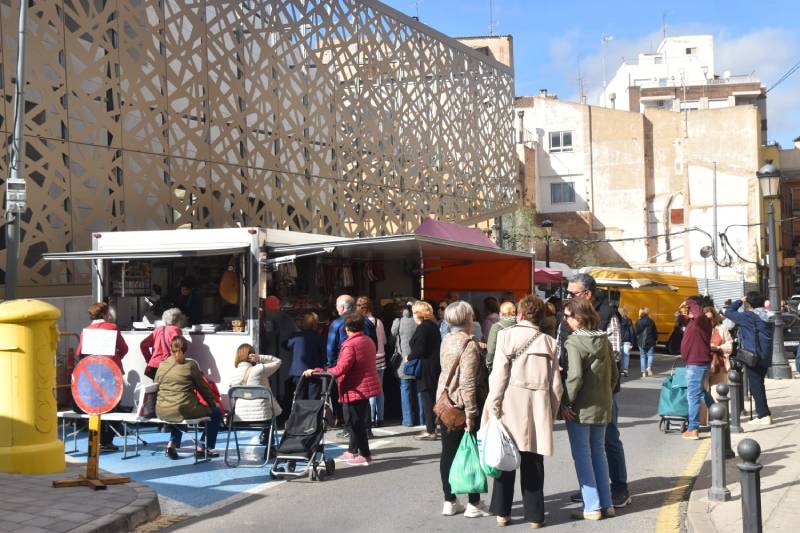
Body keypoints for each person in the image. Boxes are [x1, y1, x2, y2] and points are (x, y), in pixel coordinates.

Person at [485, 295, 563, 527]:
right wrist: (552, 412)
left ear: (519, 314)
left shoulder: (505, 336)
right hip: (538, 405)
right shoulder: (549, 342)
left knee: (505, 458)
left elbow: (498, 376)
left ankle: (502, 513)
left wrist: (493, 406)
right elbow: (556, 385)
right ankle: (535, 516)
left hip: (509, 403)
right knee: (533, 462)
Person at [561, 273, 631, 509]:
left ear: (587, 294)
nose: (567, 296)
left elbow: (615, 357)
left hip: (593, 395)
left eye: (572, 293)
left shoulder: (608, 315)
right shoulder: (570, 318)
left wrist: (569, 400)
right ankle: (598, 495)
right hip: (596, 393)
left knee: (605, 443)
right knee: (595, 450)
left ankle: (617, 489)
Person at [436, 301, 491, 518]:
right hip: (462, 404)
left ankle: (449, 500)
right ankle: (474, 503)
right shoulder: (469, 344)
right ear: (468, 319)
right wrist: (471, 413)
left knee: (448, 452)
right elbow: (468, 382)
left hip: (445, 402)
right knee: (470, 452)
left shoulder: (446, 339)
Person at [304, 314, 382, 466]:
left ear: (346, 328)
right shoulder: (368, 340)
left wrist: (318, 372)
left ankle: (365, 455)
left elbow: (341, 368)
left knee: (355, 422)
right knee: (356, 420)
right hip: (364, 385)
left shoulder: (350, 345)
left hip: (354, 386)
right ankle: (352, 450)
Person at [155, 336, 222, 459]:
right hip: (183, 409)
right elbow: (203, 388)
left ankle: (171, 445)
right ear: (186, 349)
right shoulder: (190, 365)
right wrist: (213, 404)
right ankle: (203, 448)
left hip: (162, 410)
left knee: (180, 409)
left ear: (170, 348)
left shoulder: (162, 365)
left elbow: (156, 385)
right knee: (216, 413)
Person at [75, 302, 128, 451]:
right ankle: (107, 440)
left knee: (96, 405)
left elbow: (79, 353)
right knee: (113, 405)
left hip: (93, 375)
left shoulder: (86, 331)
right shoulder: (112, 327)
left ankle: (96, 439)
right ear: (105, 314)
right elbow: (124, 348)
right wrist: (115, 359)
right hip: (111, 372)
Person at [724, 292, 774, 425]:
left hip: (753, 355)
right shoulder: (769, 315)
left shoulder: (748, 316)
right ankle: (763, 413)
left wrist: (740, 301)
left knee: (756, 385)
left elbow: (728, 312)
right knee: (759, 383)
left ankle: (764, 415)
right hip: (765, 355)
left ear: (749, 303)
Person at [230, 343, 282, 443]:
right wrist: (260, 358)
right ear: (252, 355)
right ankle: (269, 445)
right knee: (271, 412)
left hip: (239, 418)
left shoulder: (233, 374)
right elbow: (278, 361)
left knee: (268, 410)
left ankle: (265, 438)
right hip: (263, 418)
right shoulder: (259, 369)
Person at [679, 296, 715, 440]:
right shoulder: (694, 321)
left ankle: (693, 429)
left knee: (693, 395)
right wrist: (682, 312)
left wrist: (688, 301)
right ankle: (719, 414)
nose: (688, 310)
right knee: (700, 393)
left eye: (690, 308)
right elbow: (680, 321)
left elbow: (698, 314)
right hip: (695, 362)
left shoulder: (702, 320)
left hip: (696, 363)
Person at [409, 300, 442, 440]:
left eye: (414, 313)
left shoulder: (423, 327)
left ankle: (430, 430)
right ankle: (432, 426)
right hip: (433, 366)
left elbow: (420, 349)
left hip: (426, 367)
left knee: (427, 398)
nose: (412, 316)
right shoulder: (433, 325)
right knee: (431, 397)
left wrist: (409, 357)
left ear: (419, 313)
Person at [357, 296, 387, 429]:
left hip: (370, 358)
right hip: (381, 357)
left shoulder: (361, 323)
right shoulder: (378, 321)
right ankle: (380, 418)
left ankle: (371, 419)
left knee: (370, 390)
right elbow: (384, 341)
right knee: (380, 389)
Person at [392, 303, 423, 427]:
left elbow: (392, 335)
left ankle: (408, 420)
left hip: (403, 361)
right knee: (419, 390)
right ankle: (422, 419)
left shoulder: (398, 322)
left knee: (405, 389)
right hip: (418, 359)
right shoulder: (419, 322)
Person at [286, 313, 327, 400]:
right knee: (314, 400)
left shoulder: (296, 336)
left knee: (299, 399)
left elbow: (285, 345)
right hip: (315, 372)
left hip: (298, 372)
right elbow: (324, 356)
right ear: (315, 324)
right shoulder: (320, 338)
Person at [140, 307, 183, 379]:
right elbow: (178, 349)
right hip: (168, 366)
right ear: (178, 321)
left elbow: (143, 345)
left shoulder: (158, 330)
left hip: (154, 366)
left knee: (157, 385)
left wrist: (149, 359)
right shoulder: (175, 331)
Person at [706, 307, 733, 401]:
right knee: (703, 394)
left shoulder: (722, 328)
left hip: (719, 365)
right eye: (706, 319)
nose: (709, 321)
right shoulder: (700, 330)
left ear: (715, 317)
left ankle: (719, 410)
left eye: (711, 318)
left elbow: (729, 345)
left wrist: (718, 348)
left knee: (717, 393)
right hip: (704, 366)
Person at [486, 301, 517, 370]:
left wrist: (488, 362)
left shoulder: (497, 327)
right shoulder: (520, 325)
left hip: (500, 364)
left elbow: (491, 348)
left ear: (501, 313)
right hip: (516, 364)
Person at [635, 308, 658, 377]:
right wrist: (656, 339)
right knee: (650, 355)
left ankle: (643, 372)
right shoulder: (651, 321)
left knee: (642, 356)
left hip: (641, 341)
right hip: (650, 340)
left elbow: (636, 332)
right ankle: (649, 367)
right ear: (648, 313)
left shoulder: (638, 321)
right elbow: (654, 331)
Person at [618, 308, 635, 377]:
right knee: (626, 355)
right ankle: (625, 370)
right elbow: (632, 332)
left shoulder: (617, 320)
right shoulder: (629, 320)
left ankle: (620, 370)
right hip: (627, 340)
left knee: (620, 355)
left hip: (619, 340)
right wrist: (632, 342)